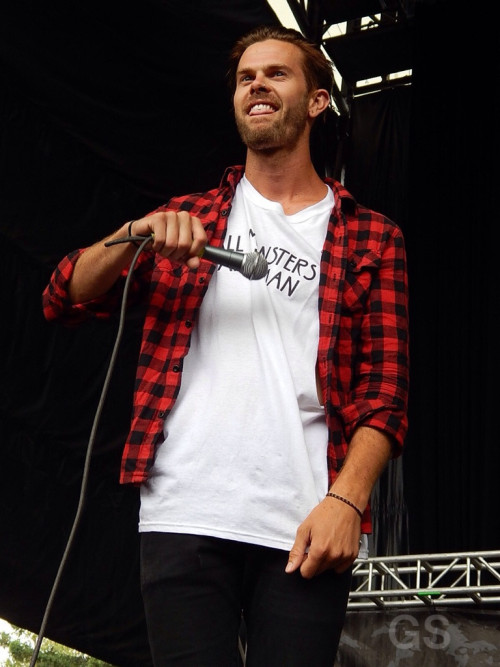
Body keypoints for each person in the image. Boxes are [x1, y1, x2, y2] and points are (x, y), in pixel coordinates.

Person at [43, 25, 409, 667]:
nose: (257, 85)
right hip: (185, 513)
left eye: (277, 73)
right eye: (246, 77)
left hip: (305, 522)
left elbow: (384, 393)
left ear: (317, 101)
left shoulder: (373, 237)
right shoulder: (189, 218)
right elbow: (63, 295)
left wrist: (348, 500)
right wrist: (134, 235)